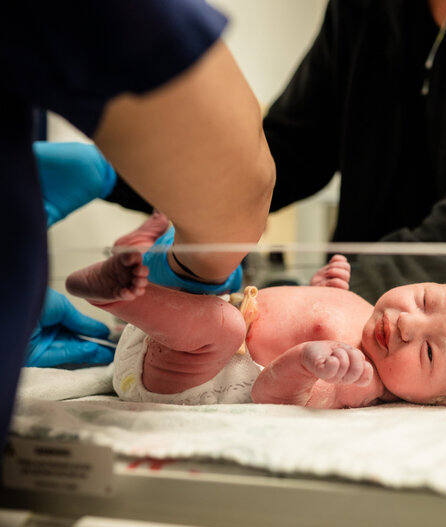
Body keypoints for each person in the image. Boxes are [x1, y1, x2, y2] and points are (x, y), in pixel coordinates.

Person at [103, 0, 446, 299]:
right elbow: (290, 147)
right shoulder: (365, 8)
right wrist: (121, 175)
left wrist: (357, 281)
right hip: (354, 310)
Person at [1, 1, 276, 445]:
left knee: (217, 326)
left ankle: (134, 290)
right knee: (218, 323)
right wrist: (204, 267)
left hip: (192, 344)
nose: (407, 319)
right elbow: (240, 183)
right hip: (200, 323)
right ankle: (144, 286)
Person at [65, 214, 446, 408]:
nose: (409, 324)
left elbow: (271, 398)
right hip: (182, 328)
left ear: (437, 400)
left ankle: (121, 293)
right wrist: (320, 291)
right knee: (216, 280)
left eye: (431, 353)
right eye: (426, 300)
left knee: (222, 325)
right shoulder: (369, 315)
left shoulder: (359, 380)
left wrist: (304, 363)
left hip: (190, 380)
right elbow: (301, 311)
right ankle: (146, 266)